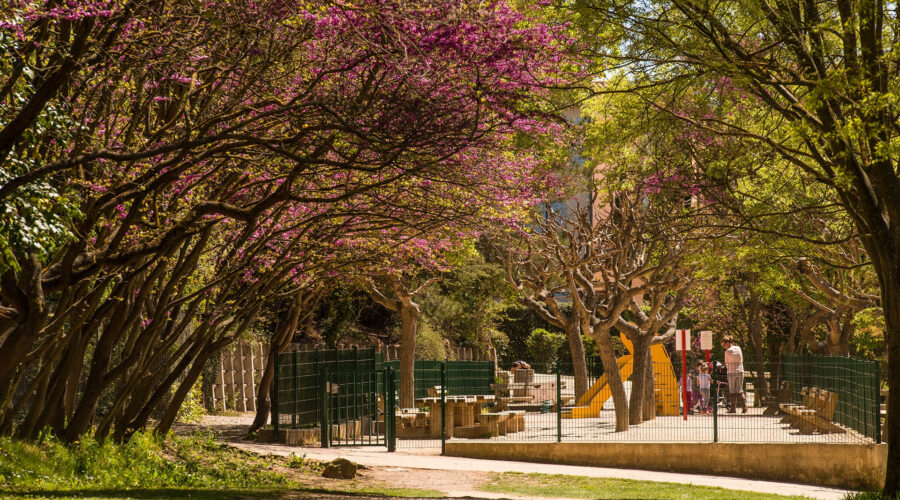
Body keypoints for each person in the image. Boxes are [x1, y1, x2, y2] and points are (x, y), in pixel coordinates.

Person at [721, 336, 747, 413]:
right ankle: (744, 406)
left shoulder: (727, 352)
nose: (723, 347)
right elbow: (741, 359)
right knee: (739, 389)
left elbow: (726, 363)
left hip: (731, 372)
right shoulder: (738, 348)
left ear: (727, 342)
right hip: (740, 370)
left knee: (732, 390)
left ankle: (733, 409)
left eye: (724, 345)